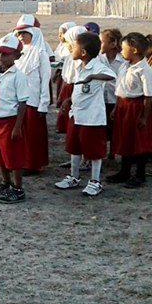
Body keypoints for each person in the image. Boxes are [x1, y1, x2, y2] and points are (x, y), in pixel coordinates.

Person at [54, 32, 116, 196]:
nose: (71, 49)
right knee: (75, 148)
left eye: (74, 47)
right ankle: (74, 177)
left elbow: (112, 75)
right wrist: (69, 100)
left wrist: (93, 77)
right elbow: (79, 90)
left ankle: (95, 181)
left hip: (92, 118)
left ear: (83, 52)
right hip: (77, 115)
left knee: (94, 151)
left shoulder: (96, 65)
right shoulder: (79, 66)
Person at [0, 34, 30, 204]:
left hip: (10, 121)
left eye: (6, 54)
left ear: (17, 56)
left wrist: (18, 126)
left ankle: (18, 188)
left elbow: (22, 103)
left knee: (13, 156)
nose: (1, 57)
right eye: (0, 53)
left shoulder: (19, 76)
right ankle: (5, 182)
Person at [106, 33, 152, 188]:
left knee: (138, 141)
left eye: (124, 48)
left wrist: (144, 117)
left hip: (136, 107)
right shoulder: (125, 66)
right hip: (123, 106)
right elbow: (121, 88)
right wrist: (117, 106)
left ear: (134, 49)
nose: (122, 51)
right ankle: (124, 171)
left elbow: (148, 95)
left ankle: (139, 174)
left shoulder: (144, 70)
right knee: (124, 138)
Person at [13, 14, 52, 173]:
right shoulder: (18, 53)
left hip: (34, 101)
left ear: (34, 33)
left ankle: (33, 164)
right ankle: (22, 161)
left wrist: (43, 104)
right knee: (21, 133)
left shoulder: (40, 53)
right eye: (19, 33)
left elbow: (45, 79)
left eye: (25, 33)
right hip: (19, 100)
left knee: (33, 135)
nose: (21, 37)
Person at [98, 28, 125, 160]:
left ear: (113, 44)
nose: (99, 45)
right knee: (101, 128)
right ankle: (101, 153)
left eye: (102, 42)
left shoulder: (123, 62)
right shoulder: (99, 59)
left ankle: (112, 154)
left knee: (114, 128)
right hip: (101, 99)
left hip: (115, 100)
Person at [56, 26, 87, 135]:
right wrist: (60, 95)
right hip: (68, 88)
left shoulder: (83, 59)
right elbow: (66, 78)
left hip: (77, 89)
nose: (67, 45)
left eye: (68, 42)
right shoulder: (71, 57)